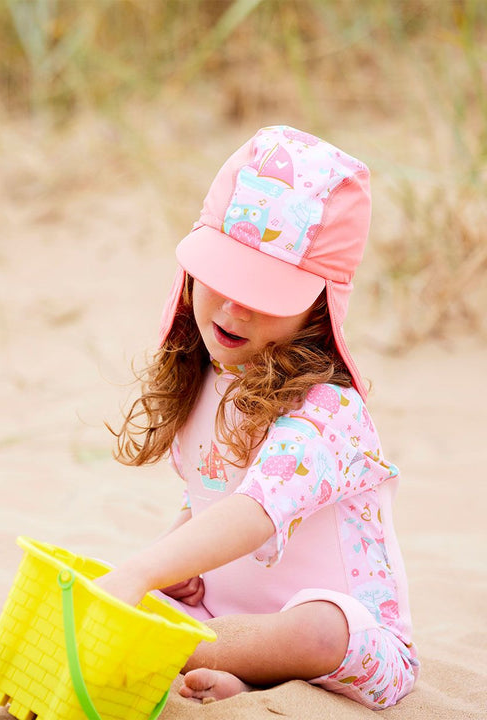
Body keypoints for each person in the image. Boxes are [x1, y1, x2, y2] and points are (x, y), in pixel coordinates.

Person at [98, 126, 419, 710]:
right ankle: (236, 669)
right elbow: (209, 500)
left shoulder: (327, 411)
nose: (234, 306)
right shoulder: (206, 381)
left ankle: (173, 651)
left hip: (349, 641)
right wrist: (172, 568)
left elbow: (254, 511)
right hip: (221, 612)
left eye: (265, 292)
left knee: (318, 629)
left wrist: (138, 573)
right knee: (132, 594)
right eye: (223, 274)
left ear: (319, 309)